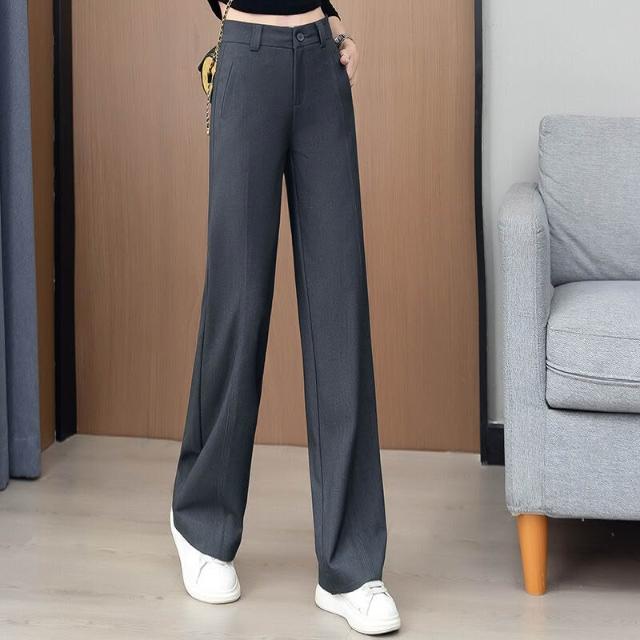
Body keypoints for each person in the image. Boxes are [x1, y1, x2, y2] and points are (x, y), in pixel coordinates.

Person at [170, 1, 401, 634]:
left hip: (321, 64)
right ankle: (202, 524)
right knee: (238, 301)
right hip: (247, 58)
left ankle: (351, 568)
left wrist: (334, 22)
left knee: (339, 307)